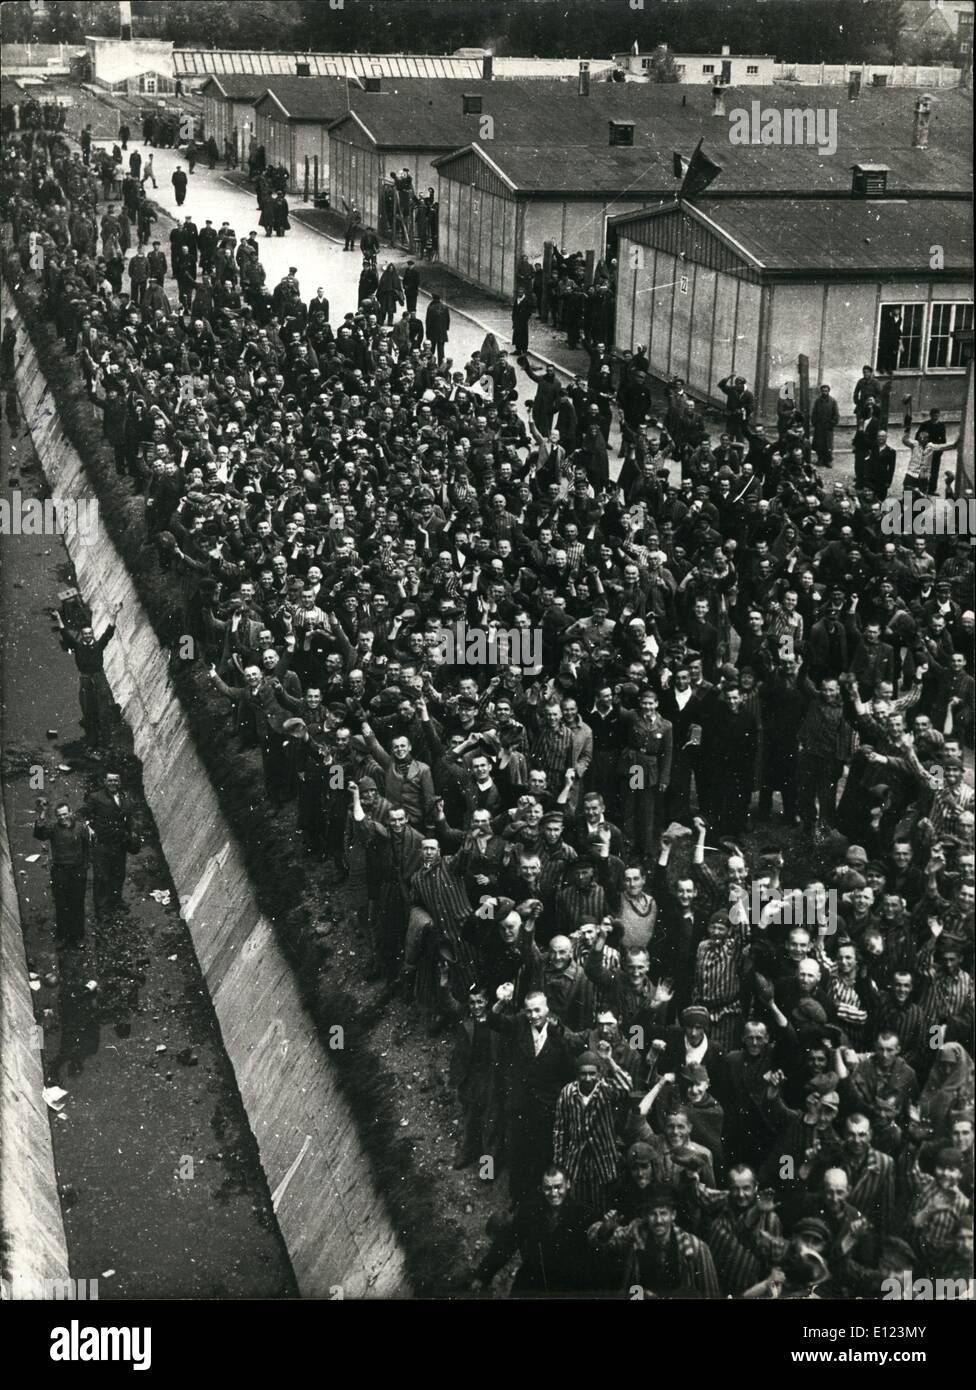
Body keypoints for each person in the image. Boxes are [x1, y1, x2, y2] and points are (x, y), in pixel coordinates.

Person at [54, 600, 123, 750]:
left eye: (89, 633)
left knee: (103, 709)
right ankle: (92, 740)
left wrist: (115, 614)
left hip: (98, 678)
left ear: (92, 634)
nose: (87, 636)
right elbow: (65, 634)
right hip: (85, 679)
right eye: (85, 634)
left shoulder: (98, 645)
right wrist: (59, 619)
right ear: (83, 635)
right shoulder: (78, 647)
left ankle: (106, 741)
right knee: (88, 709)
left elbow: (109, 632)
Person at [33, 798, 92, 946]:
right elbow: (39, 833)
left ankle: (79, 936)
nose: (63, 818)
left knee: (77, 904)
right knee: (61, 904)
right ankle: (62, 936)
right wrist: (42, 813)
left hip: (77, 871)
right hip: (60, 872)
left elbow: (87, 848)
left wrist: (84, 867)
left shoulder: (81, 828)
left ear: (70, 813)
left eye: (65, 814)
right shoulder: (53, 828)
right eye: (59, 815)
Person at [83, 770, 139, 918]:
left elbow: (130, 816)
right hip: (102, 845)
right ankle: (101, 909)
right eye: (110, 780)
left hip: (119, 844)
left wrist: (132, 832)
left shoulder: (124, 797)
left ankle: (115, 901)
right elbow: (84, 814)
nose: (113, 783)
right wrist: (88, 827)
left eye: (116, 780)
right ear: (104, 782)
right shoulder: (95, 797)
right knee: (101, 877)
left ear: (119, 782)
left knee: (118, 874)